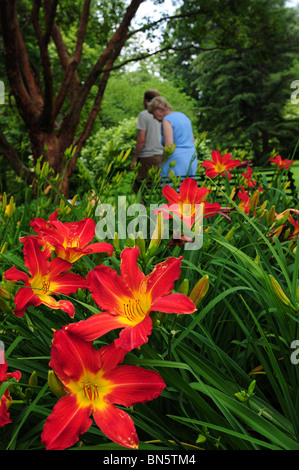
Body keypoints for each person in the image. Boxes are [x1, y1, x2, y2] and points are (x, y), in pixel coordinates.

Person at [147, 96, 197, 179]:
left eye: (153, 113)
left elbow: (169, 147)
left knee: (173, 189)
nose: (154, 117)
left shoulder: (167, 120)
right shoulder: (184, 116)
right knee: (189, 188)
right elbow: (192, 140)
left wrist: (161, 162)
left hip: (176, 161)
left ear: (159, 110)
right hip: (191, 157)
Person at [130, 90, 164, 192]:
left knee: (139, 188)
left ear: (146, 100)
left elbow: (141, 139)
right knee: (159, 188)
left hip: (147, 157)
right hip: (163, 156)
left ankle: (144, 208)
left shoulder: (144, 115)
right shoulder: (165, 114)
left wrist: (135, 159)